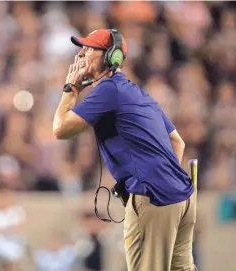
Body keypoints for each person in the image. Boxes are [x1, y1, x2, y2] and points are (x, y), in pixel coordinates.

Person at [53, 29, 198, 271]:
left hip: (153, 198)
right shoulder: (139, 93)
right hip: (183, 197)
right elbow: (178, 143)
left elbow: (60, 129)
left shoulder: (109, 90)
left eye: (90, 49)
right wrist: (168, 180)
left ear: (112, 57)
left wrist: (70, 89)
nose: (82, 54)